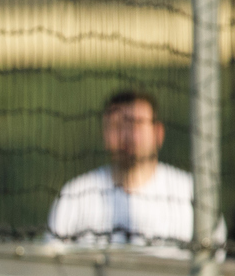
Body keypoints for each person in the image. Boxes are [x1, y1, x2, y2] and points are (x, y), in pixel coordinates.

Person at [47, 90, 222, 245]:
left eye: (136, 124)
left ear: (158, 133)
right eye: (117, 126)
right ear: (104, 134)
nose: (127, 135)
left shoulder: (192, 195)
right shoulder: (74, 195)